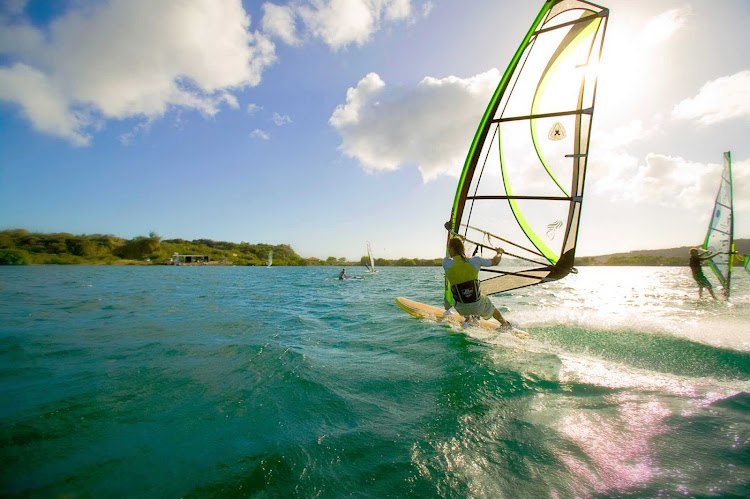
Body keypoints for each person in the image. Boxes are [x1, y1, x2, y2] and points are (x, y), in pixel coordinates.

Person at [443, 237, 512, 329]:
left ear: (451, 249)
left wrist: (459, 241)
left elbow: (449, 255)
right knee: (487, 303)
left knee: (458, 295)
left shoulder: (446, 263)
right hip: (477, 305)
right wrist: (499, 252)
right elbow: (495, 261)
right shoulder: (475, 261)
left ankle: (468, 319)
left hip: (461, 308)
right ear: (462, 248)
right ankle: (504, 324)